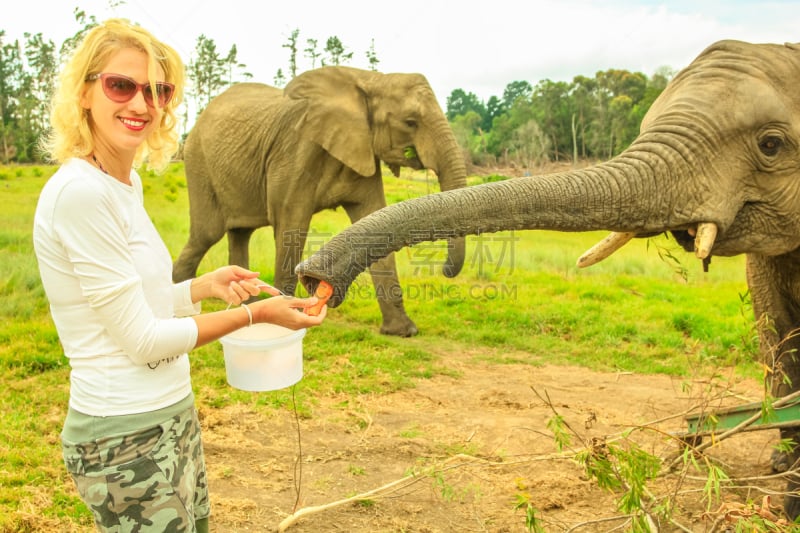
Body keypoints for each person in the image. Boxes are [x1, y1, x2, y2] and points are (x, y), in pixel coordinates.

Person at [32, 19, 326, 532]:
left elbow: (138, 303)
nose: (142, 105)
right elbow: (143, 340)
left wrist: (202, 287)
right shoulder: (81, 194)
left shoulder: (124, 185)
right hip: (121, 437)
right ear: (84, 92)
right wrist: (254, 315)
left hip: (170, 413)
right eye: (121, 85)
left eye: (158, 90)